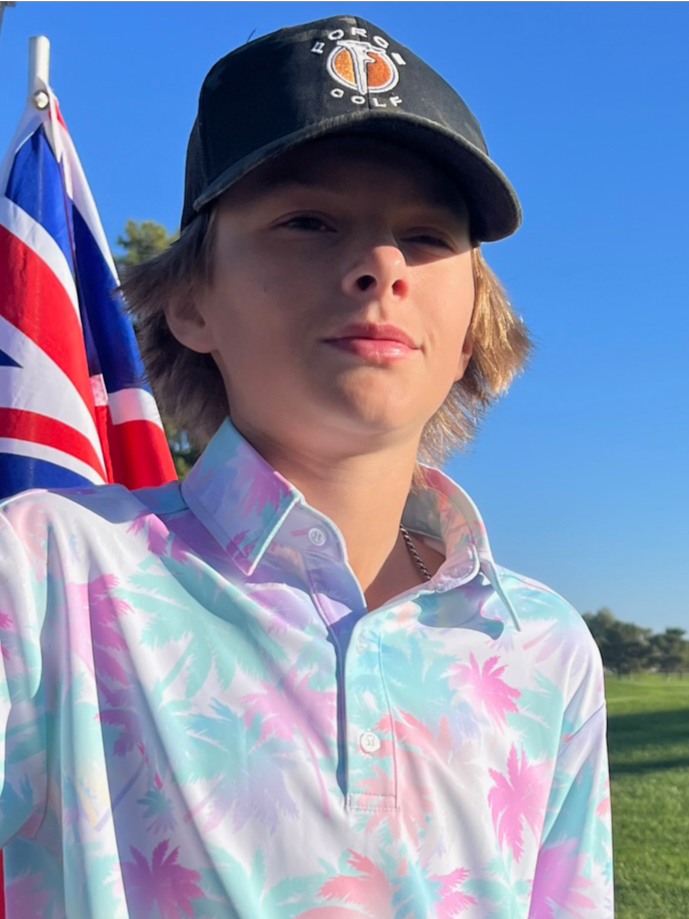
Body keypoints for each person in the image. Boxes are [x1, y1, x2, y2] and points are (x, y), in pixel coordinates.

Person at [0, 14, 613, 919]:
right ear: (190, 301)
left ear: (471, 329)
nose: (379, 266)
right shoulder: (45, 570)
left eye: (429, 235)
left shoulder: (540, 644)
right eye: (307, 220)